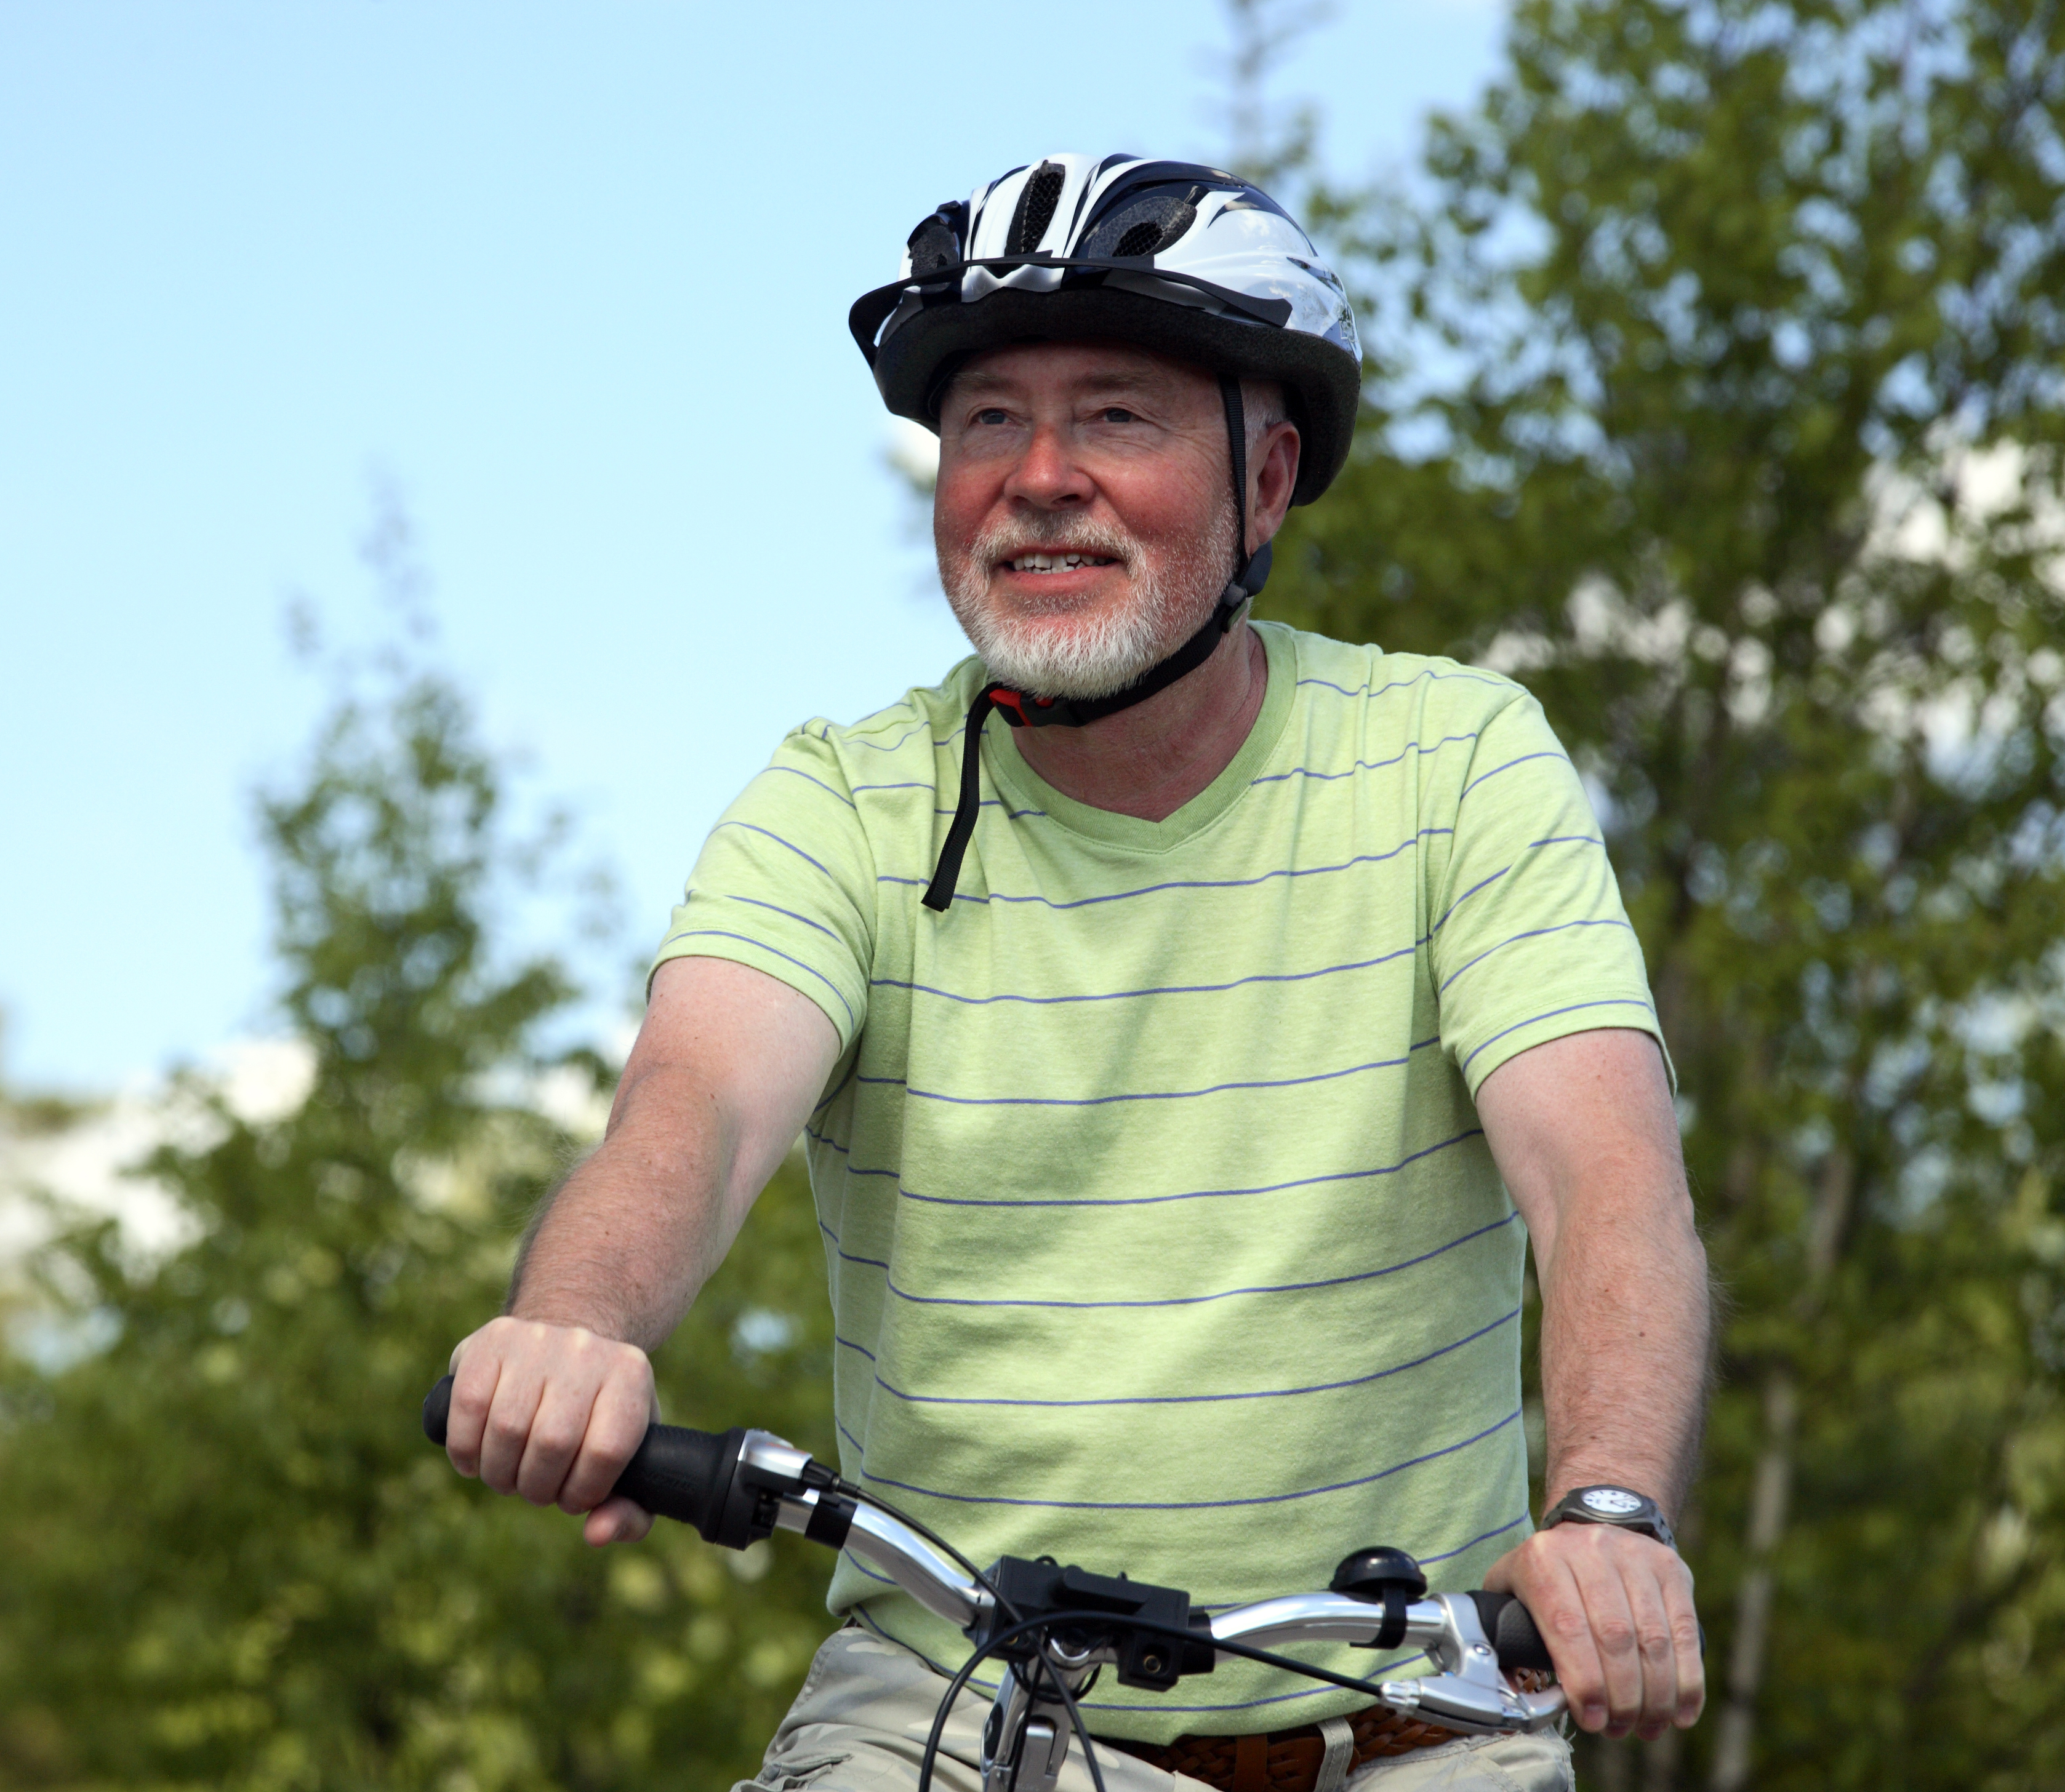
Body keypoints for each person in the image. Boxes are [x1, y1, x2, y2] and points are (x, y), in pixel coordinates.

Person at [442, 154, 1710, 1792]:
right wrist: (574, 1325)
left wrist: (1607, 1512)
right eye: (988, 422)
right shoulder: (844, 803)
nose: (1039, 478)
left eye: (1116, 415)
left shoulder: (1453, 762)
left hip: (1418, 1729)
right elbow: (693, 1109)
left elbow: (1607, 1178)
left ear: (1267, 481)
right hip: (951, 1709)